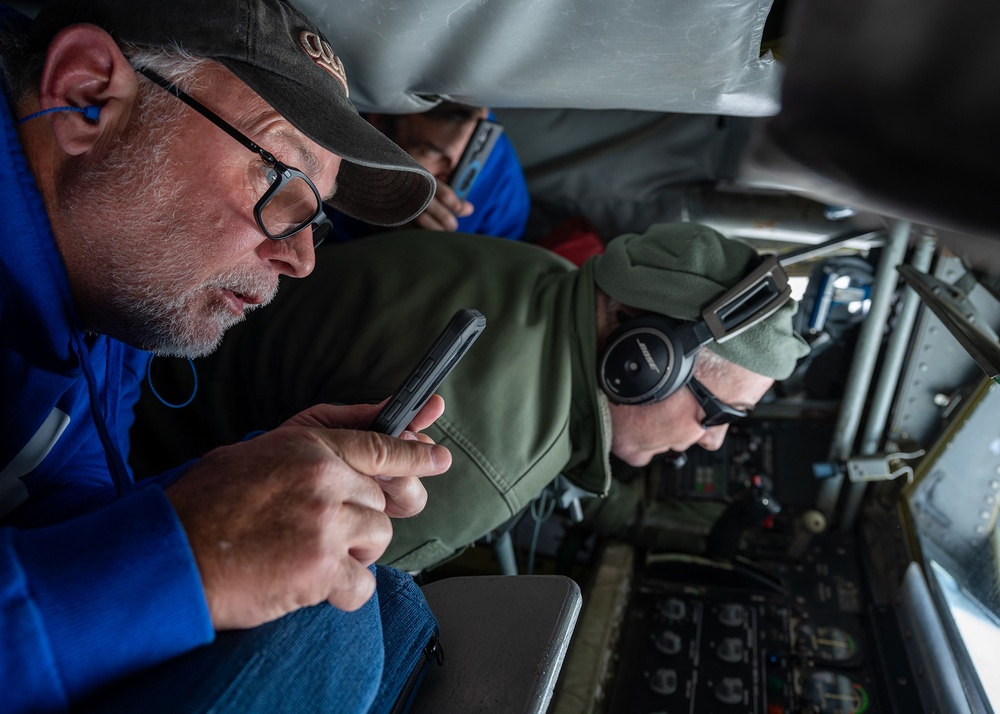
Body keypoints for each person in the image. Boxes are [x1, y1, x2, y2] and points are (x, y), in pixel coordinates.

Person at [0, 0, 456, 712]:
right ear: (86, 96)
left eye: (316, 215)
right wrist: (188, 556)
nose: (302, 257)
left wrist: (243, 491)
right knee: (322, 632)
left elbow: (61, 505)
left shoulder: (107, 297)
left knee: (385, 602)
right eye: (279, 179)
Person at [131, 222, 810, 574]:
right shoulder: (482, 460)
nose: (715, 439)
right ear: (644, 363)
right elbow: (293, 600)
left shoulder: (546, 278)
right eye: (718, 412)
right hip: (134, 473)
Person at [328, 101, 531, 241]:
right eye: (432, 151)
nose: (452, 173)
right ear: (379, 120)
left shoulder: (502, 179)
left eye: (471, 152)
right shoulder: (332, 134)